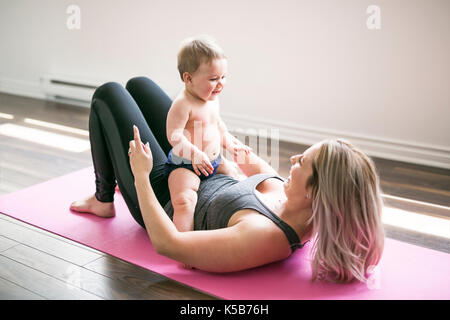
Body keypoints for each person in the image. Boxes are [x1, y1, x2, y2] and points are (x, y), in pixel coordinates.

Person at [70, 76, 385, 284]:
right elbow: (241, 152)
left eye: (303, 162)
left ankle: (103, 199)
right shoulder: (292, 198)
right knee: (139, 85)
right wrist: (213, 128)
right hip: (194, 165)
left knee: (108, 94)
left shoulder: (266, 235)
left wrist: (139, 175)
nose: (292, 160)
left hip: (161, 192)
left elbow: (170, 244)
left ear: (317, 193)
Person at [165, 36, 251, 233]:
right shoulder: (182, 104)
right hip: (186, 164)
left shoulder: (212, 99)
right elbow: (174, 136)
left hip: (213, 160)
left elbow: (218, 125)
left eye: (224, 77)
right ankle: (184, 244)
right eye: (213, 79)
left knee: (234, 175)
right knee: (184, 201)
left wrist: (231, 143)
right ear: (188, 78)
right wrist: (194, 153)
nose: (220, 84)